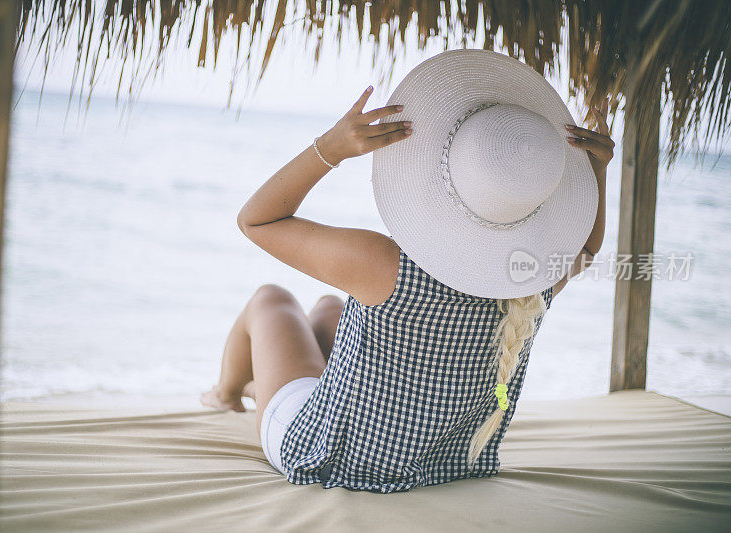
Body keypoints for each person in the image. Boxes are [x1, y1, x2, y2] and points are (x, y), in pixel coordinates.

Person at [201, 50, 614, 493]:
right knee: (328, 309)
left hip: (327, 456)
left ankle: (225, 394)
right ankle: (254, 388)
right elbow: (586, 249)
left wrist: (331, 149)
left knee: (272, 298)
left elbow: (257, 221)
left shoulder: (383, 265)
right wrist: (597, 175)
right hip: (445, 464)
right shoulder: (533, 281)